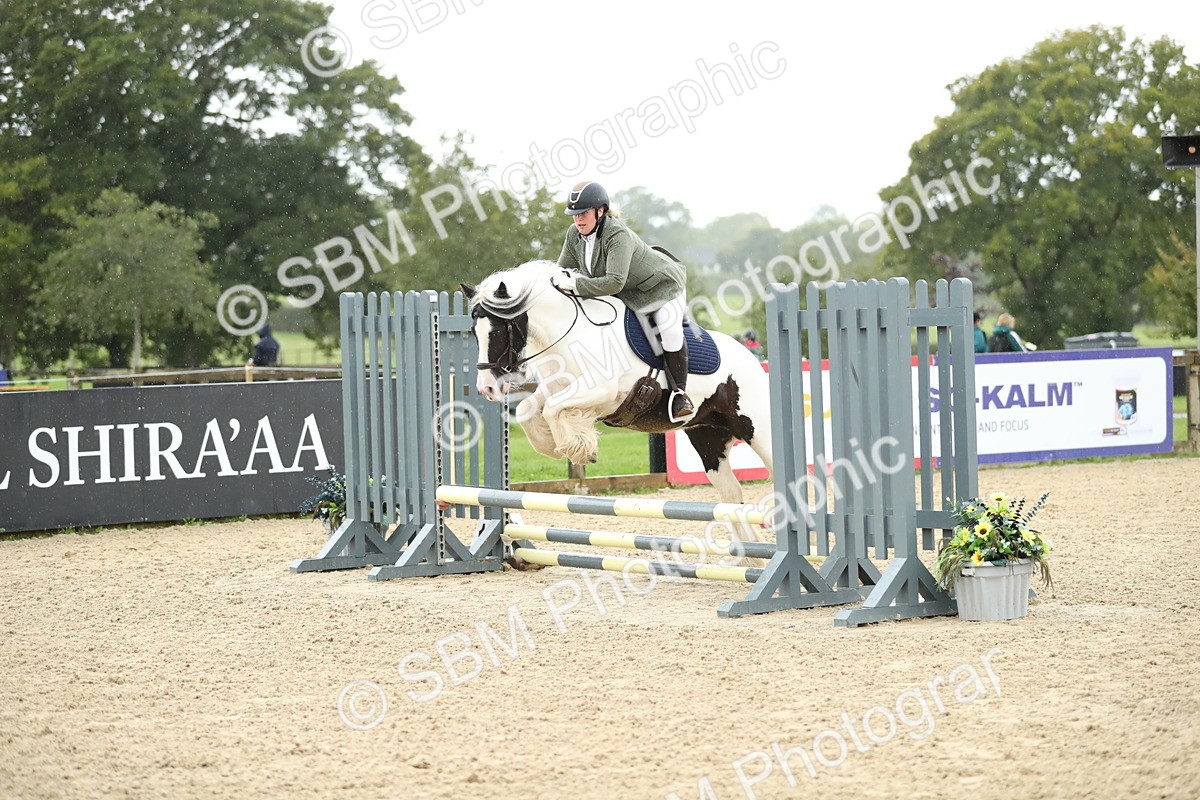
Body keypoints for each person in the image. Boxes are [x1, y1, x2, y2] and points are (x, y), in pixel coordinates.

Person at [550, 181, 695, 421]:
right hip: (628, 293)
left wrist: (575, 285)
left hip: (661, 287)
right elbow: (562, 270)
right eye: (575, 215)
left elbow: (614, 282)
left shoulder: (616, 234)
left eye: (583, 213)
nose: (578, 220)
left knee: (668, 329)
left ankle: (680, 394)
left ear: (601, 211)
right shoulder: (574, 234)